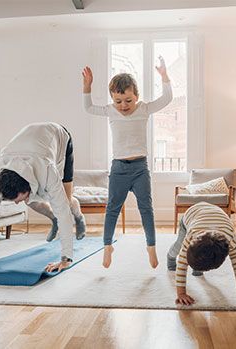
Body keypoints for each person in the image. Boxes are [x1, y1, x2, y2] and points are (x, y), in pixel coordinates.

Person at [82, 56, 173, 269]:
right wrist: (87, 86)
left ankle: (151, 247)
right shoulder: (109, 110)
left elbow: (167, 99)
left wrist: (164, 77)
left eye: (128, 101)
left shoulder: (144, 109)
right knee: (112, 208)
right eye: (118, 101)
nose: (123, 106)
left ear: (136, 97)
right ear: (113, 99)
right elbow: (88, 108)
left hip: (140, 168)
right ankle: (107, 247)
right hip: (119, 168)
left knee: (146, 208)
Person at [0, 122, 86, 272]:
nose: (18, 203)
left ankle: (79, 217)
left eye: (18, 198)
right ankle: (53, 218)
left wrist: (65, 259)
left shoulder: (47, 170)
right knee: (31, 200)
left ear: (28, 186)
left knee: (66, 201)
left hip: (59, 138)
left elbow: (63, 211)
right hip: (30, 143)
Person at [167, 201, 236, 309]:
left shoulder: (231, 241)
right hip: (191, 215)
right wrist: (181, 293)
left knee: (201, 260)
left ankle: (198, 269)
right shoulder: (192, 235)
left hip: (213, 215)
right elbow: (182, 264)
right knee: (178, 246)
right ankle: (170, 257)